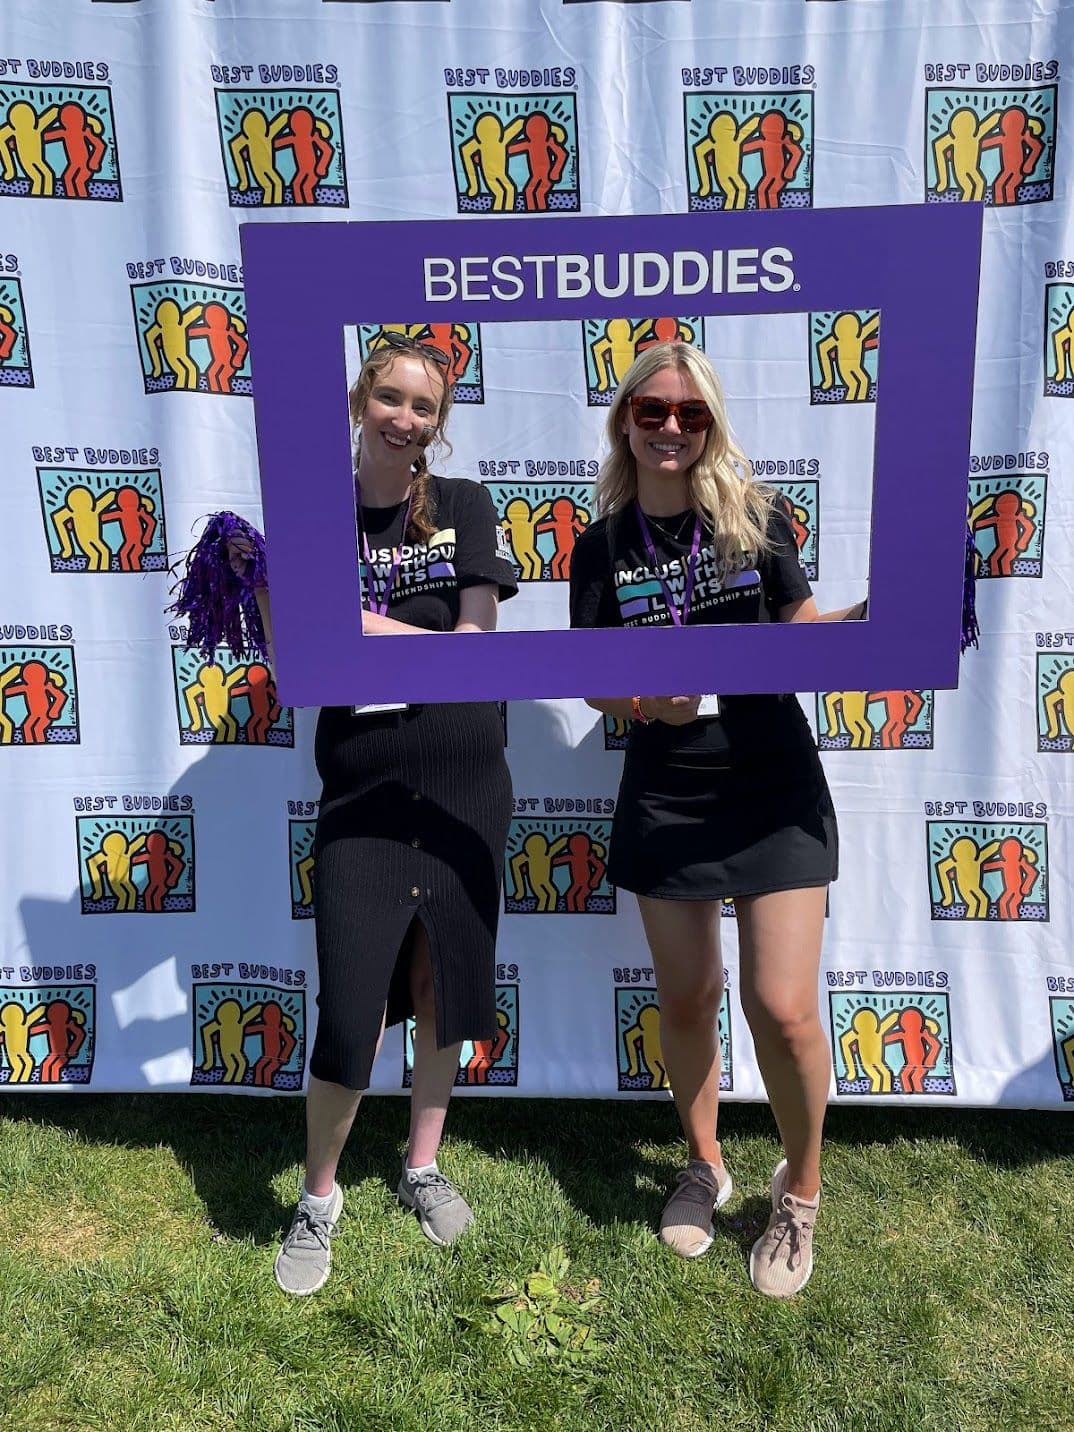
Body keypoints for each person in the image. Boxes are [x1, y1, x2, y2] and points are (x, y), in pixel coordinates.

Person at [569, 341, 860, 1298]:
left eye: (690, 414)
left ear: (711, 425)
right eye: (651, 411)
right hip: (668, 791)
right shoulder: (600, 546)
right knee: (688, 999)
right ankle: (704, 1162)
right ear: (625, 420)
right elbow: (592, 685)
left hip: (772, 781)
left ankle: (800, 1188)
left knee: (778, 1006)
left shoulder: (757, 516)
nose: (670, 428)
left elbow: (801, 634)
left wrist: (879, 616)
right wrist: (645, 704)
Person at [233, 331, 517, 1295]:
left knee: (444, 990)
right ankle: (320, 1196)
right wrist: (267, 583)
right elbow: (296, 666)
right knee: (353, 1009)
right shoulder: (311, 518)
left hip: (466, 780)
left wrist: (355, 624)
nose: (405, 418)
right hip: (361, 789)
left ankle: (422, 1166)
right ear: (360, 401)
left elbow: (477, 643)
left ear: (440, 423)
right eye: (390, 397)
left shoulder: (464, 507)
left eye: (424, 406)